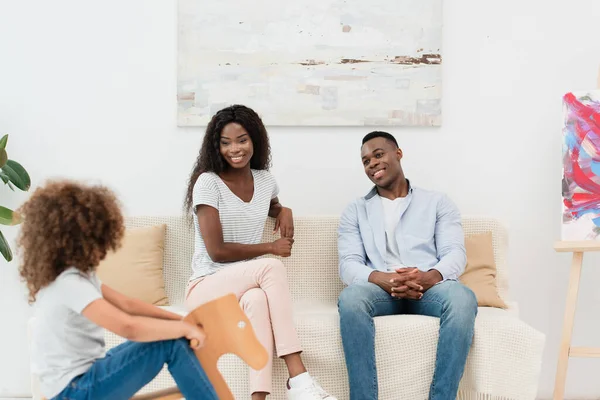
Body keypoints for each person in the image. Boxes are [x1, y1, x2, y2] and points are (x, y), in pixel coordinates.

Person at [183, 104, 336, 400]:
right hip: (205, 287)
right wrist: (271, 247)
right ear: (216, 147)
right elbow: (216, 251)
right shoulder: (208, 183)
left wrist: (284, 209)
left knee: (257, 299)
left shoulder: (264, 180)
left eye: (242, 140)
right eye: (225, 143)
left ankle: (258, 397)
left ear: (254, 140)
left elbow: (270, 204)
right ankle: (299, 378)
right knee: (271, 267)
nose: (235, 149)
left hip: (242, 289)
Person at [20, 180, 218, 400]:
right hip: (74, 392)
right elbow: (127, 326)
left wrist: (181, 320)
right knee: (170, 342)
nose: (105, 247)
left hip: (80, 383)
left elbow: (128, 305)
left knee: (168, 335)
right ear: (81, 241)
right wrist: (185, 330)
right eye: (100, 239)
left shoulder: (78, 277)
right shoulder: (69, 284)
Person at [337, 131, 478, 400]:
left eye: (378, 155)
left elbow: (455, 254)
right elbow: (348, 265)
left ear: (398, 154)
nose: (373, 164)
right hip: (380, 290)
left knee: (463, 298)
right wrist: (383, 278)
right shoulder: (355, 210)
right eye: (366, 161)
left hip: (429, 289)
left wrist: (429, 277)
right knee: (351, 298)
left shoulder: (437, 202)